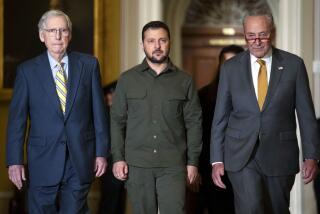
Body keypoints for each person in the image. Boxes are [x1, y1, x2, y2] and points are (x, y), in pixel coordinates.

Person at [210, 10, 320, 214]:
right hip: (241, 155)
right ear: (245, 36)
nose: (257, 41)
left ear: (272, 33)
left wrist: (311, 155)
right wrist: (217, 159)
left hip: (280, 154)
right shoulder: (230, 68)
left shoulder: (293, 65)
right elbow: (220, 117)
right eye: (251, 36)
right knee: (250, 208)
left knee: (277, 209)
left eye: (262, 35)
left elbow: (306, 115)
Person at [6, 10, 109, 213]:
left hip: (79, 159)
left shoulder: (88, 65)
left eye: (63, 30)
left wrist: (101, 152)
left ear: (69, 34)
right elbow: (17, 121)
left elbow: (99, 112)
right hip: (42, 160)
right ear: (42, 36)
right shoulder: (27, 71)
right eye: (52, 30)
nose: (58, 36)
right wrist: (14, 161)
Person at [111, 21, 202, 214]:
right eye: (151, 41)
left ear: (169, 42)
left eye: (162, 40)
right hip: (138, 165)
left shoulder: (184, 81)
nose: (157, 46)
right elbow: (117, 121)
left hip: (173, 165)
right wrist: (118, 158)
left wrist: (192, 162)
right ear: (143, 44)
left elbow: (194, 123)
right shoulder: (127, 80)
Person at [197, 45, 244, 214]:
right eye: (226, 63)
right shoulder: (204, 95)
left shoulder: (255, 95)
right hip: (213, 167)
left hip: (245, 167)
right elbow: (200, 134)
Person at [98, 81, 125, 214]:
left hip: (118, 159)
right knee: (110, 199)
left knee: (117, 198)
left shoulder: (120, 113)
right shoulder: (104, 113)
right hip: (108, 162)